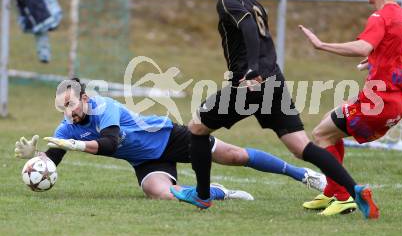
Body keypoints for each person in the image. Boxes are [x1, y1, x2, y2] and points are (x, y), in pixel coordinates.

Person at [170, 0, 379, 219]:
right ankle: (356, 189)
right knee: (301, 147)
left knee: (197, 127)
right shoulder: (254, 2)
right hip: (273, 81)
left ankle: (202, 195)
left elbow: (248, 32)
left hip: (250, 83)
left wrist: (252, 69)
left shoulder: (228, 1)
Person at [14, 78, 327, 202]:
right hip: (145, 161)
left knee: (235, 156)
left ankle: (305, 175)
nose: (67, 113)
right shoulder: (67, 126)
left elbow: (110, 142)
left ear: (84, 98)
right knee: (160, 193)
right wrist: (38, 155)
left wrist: (78, 146)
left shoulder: (103, 107)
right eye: (62, 108)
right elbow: (52, 162)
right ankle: (218, 192)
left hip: (168, 137)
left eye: (71, 104)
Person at [299, 0, 402, 216]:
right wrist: (380, 61)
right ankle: (330, 192)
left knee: (321, 135)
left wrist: (321, 44)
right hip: (397, 103)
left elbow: (362, 47)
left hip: (378, 102)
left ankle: (343, 196)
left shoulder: (380, 17)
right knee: (330, 121)